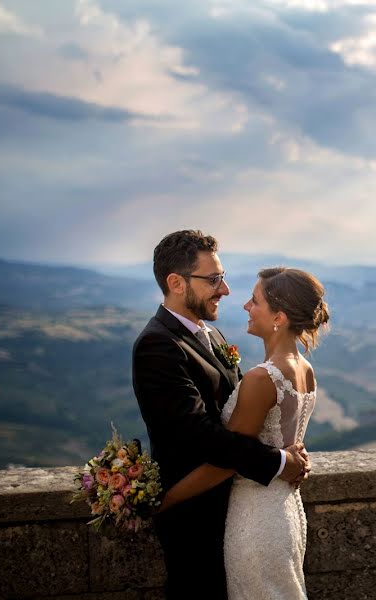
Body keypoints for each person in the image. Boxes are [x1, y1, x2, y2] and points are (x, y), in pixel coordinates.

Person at [132, 231, 310, 600]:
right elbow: (200, 435)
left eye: (222, 277)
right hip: (195, 520)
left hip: (236, 510)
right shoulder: (157, 345)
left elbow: (249, 413)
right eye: (213, 280)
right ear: (176, 283)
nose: (225, 290)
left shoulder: (210, 335)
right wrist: (279, 461)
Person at [159, 266, 329, 600]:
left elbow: (228, 458)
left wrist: (164, 500)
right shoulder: (305, 370)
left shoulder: (261, 378)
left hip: (255, 519)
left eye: (255, 301)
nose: (245, 307)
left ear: (278, 317)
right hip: (286, 510)